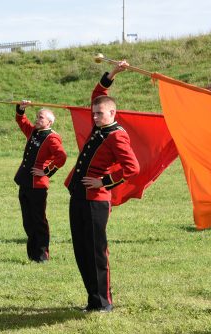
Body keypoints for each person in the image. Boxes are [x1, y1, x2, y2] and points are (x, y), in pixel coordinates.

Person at [63, 61, 140, 312]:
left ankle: (103, 303)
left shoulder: (117, 135)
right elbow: (98, 95)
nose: (95, 116)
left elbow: (132, 168)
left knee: (96, 252)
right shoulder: (99, 124)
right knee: (81, 250)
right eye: (94, 113)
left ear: (112, 114)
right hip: (78, 196)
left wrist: (104, 181)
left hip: (96, 200)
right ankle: (92, 300)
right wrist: (113, 73)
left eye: (100, 114)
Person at [13, 103, 67, 262]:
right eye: (37, 117)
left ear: (49, 122)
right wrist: (21, 108)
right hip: (24, 181)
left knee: (39, 220)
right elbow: (21, 121)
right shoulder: (34, 131)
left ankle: (43, 254)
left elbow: (62, 157)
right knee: (27, 220)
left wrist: (46, 171)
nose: (37, 119)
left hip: (37, 185)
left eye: (40, 117)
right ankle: (32, 254)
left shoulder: (52, 138)